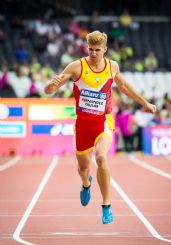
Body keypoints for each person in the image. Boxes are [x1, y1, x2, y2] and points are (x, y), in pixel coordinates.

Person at [44, 30, 157, 224]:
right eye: (90, 49)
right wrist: (51, 85)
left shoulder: (112, 66)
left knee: (101, 157)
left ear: (105, 49)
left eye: (97, 49)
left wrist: (144, 103)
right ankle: (86, 184)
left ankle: (106, 206)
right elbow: (49, 90)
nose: (93, 53)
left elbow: (124, 87)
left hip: (103, 121)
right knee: (83, 167)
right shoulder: (77, 66)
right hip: (82, 124)